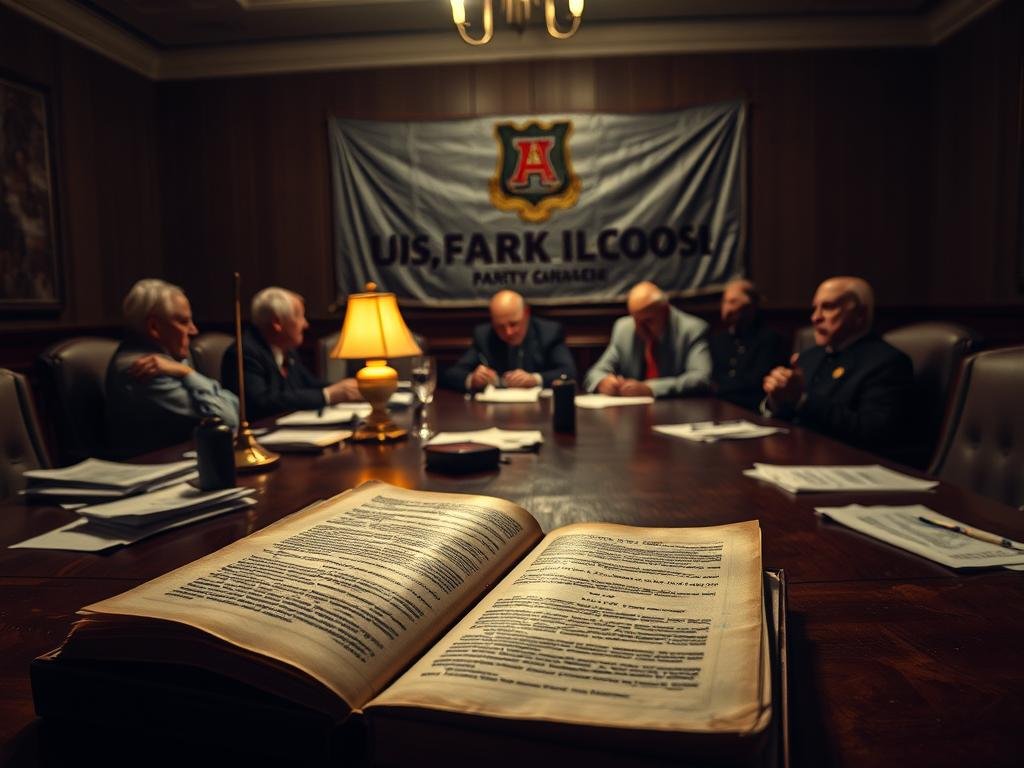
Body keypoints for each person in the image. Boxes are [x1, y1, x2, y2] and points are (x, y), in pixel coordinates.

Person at [761, 276, 912, 455]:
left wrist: (801, 399)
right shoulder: (808, 357)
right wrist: (776, 399)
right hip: (797, 456)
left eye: (828, 307)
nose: (815, 317)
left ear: (860, 314)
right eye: (815, 308)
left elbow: (873, 433)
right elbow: (788, 418)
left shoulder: (887, 362)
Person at [106, 279, 239, 459]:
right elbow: (227, 419)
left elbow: (236, 405)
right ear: (154, 327)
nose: (194, 330)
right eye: (184, 321)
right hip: (154, 473)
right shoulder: (144, 369)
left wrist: (185, 372)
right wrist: (188, 373)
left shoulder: (170, 362)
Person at [221, 287, 360, 422]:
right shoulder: (243, 353)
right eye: (300, 316)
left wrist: (346, 390)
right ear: (277, 323)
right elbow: (261, 403)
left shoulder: (286, 349)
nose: (305, 324)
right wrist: (328, 395)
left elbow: (310, 385)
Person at [583, 281, 712, 398]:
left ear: (665, 311)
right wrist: (603, 382)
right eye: (636, 320)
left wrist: (650, 388)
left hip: (676, 411)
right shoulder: (624, 329)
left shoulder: (692, 330)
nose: (640, 328)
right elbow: (596, 372)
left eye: (648, 321)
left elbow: (700, 378)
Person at [442, 290, 576, 391]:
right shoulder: (484, 334)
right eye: (500, 326)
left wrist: (534, 379)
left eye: (514, 324)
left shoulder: (549, 332)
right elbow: (452, 374)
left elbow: (569, 372)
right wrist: (473, 379)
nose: (508, 332)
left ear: (526, 313)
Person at [710, 279, 788, 411]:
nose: (727, 308)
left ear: (751, 306)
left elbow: (757, 384)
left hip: (753, 410)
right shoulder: (718, 339)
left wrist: (721, 388)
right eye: (724, 301)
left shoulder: (769, 339)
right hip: (718, 409)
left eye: (733, 302)